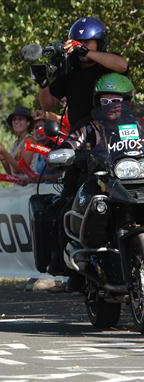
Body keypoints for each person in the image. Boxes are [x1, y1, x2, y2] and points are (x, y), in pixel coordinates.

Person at [47, 73, 136, 279]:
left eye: (117, 100)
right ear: (98, 103)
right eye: (106, 101)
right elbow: (72, 143)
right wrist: (67, 152)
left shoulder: (139, 125)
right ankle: (71, 269)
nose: (111, 105)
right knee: (67, 208)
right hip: (99, 181)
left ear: (126, 102)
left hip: (134, 181)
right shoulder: (89, 126)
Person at [38, 17, 128, 132]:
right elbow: (48, 106)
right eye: (78, 42)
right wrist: (43, 84)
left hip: (112, 132)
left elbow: (122, 65)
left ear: (99, 43)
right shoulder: (69, 69)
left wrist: (86, 52)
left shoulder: (107, 63)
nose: (81, 46)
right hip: (81, 138)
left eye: (87, 42)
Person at [0, 106, 36, 179]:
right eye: (14, 119)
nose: (16, 122)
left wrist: (4, 152)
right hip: (19, 186)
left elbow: (23, 170)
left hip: (30, 187)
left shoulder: (29, 141)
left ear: (28, 123)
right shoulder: (16, 143)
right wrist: (2, 156)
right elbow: (11, 173)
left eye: (20, 119)